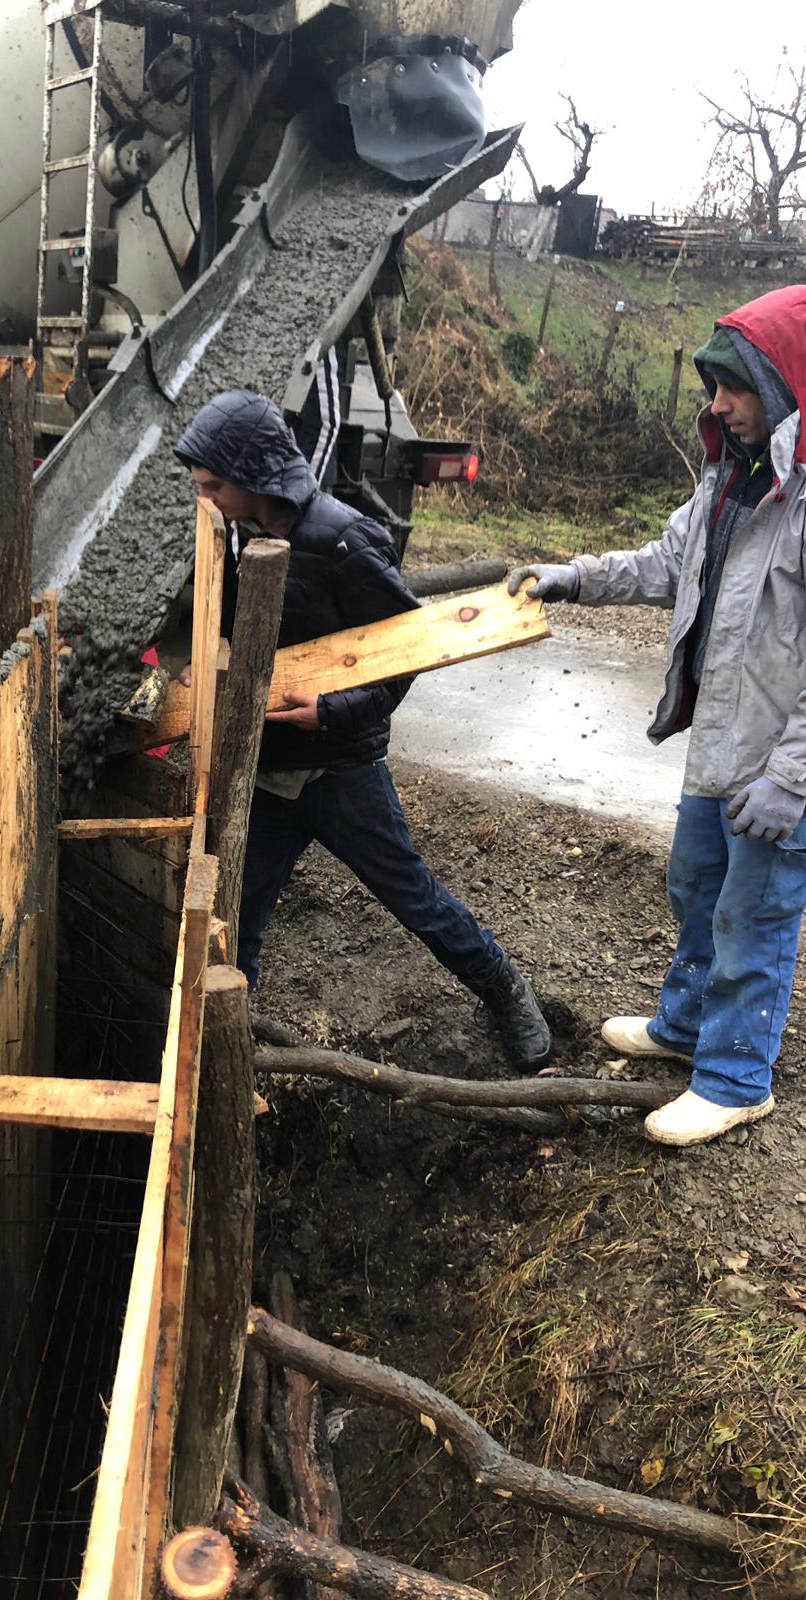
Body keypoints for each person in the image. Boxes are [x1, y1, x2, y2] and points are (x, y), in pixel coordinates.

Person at [508, 284, 806, 1147]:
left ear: (783, 387)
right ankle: (686, 1027)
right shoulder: (729, 481)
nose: (718, 405)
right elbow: (662, 564)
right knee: (696, 888)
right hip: (720, 742)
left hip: (780, 765)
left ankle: (737, 1079)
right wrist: (573, 578)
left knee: (754, 917)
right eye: (715, 387)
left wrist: (792, 779)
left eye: (735, 387)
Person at [174, 388, 551, 1069]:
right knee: (240, 911)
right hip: (268, 771)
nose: (204, 498)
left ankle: (504, 987)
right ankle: (226, 1048)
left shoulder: (345, 540)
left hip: (341, 770)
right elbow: (228, 633)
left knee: (413, 897)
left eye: (213, 485)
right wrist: (205, 664)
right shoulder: (229, 534)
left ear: (252, 474)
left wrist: (331, 711)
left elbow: (407, 656)